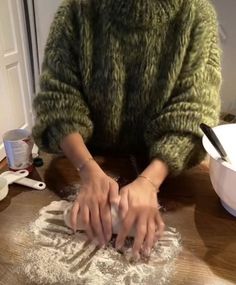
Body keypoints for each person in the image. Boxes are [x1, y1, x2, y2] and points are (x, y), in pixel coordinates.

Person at [32, 0, 221, 259]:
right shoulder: (77, 10)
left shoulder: (196, 15)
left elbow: (195, 111)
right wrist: (87, 168)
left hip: (165, 172)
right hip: (84, 158)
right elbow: (58, 100)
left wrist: (149, 182)